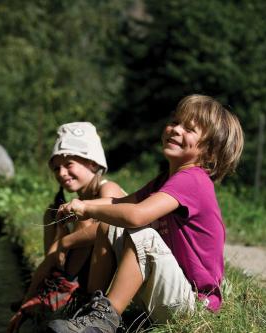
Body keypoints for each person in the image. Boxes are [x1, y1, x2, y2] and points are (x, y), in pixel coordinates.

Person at [47, 94, 244, 333]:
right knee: (108, 225)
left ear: (209, 152)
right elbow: (119, 203)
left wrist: (88, 207)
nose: (175, 130)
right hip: (168, 291)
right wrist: (81, 206)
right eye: (175, 121)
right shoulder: (165, 180)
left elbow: (137, 215)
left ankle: (104, 322)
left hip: (193, 306)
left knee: (144, 236)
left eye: (189, 129)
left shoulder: (193, 180)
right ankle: (91, 308)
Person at [8, 122, 126, 332]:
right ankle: (57, 288)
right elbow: (51, 257)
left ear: (91, 163)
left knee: (82, 219)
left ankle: (79, 300)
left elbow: (108, 227)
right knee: (51, 214)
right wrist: (28, 300)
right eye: (56, 168)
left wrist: (65, 241)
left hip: (112, 273)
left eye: (69, 164)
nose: (61, 173)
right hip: (77, 273)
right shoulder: (67, 207)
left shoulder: (108, 188)